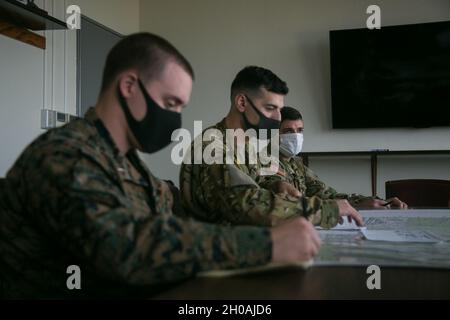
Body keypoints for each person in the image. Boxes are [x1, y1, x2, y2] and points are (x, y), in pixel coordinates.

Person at [0, 34, 321, 298]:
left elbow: (169, 217)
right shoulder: (66, 155)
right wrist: (266, 246)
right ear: (128, 86)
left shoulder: (124, 161)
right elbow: (128, 249)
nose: (174, 118)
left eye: (180, 107)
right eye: (170, 104)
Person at [180, 66, 363, 229]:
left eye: (279, 109)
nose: (277, 118)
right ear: (242, 103)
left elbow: (253, 184)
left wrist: (276, 185)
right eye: (269, 108)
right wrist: (325, 210)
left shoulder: (246, 146)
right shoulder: (212, 146)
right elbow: (247, 204)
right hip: (222, 256)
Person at [272, 106, 408, 210]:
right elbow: (287, 204)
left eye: (300, 131)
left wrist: (372, 201)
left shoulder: (296, 163)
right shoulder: (266, 162)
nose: (296, 137)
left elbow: (326, 194)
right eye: (288, 131)